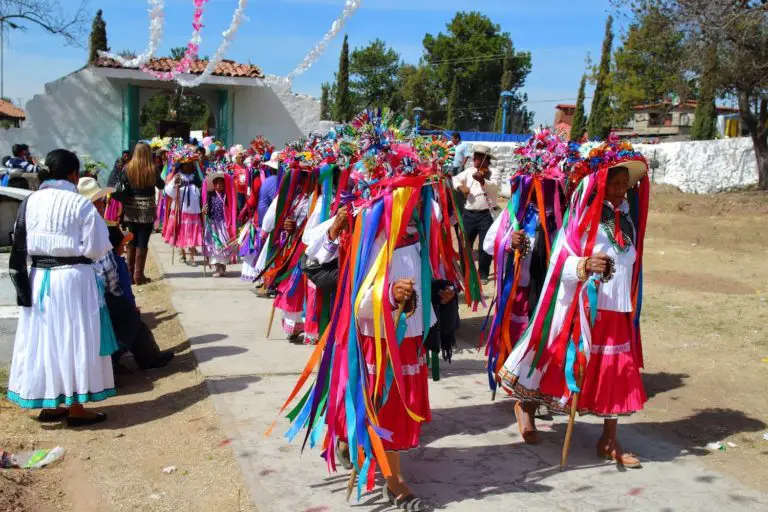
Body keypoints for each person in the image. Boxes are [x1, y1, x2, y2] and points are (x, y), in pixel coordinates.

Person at [498, 138, 650, 468]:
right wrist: (583, 266)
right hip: (586, 311)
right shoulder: (582, 220)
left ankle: (609, 439)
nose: (623, 189)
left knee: (616, 371)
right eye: (616, 182)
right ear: (601, 184)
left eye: (626, 183)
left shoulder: (627, 221)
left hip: (618, 311)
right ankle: (525, 408)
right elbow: (560, 261)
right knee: (560, 364)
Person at [7, 149, 114, 426]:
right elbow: (97, 247)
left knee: (45, 339)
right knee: (75, 337)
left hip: (40, 277)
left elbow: (20, 243)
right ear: (74, 175)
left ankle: (52, 403)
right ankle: (76, 407)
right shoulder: (81, 205)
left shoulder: (29, 203)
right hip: (74, 278)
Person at [482, 129, 569, 444]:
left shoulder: (565, 218)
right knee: (526, 348)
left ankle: (538, 395)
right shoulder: (517, 214)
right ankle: (525, 404)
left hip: (553, 296)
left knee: (548, 348)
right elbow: (491, 245)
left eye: (551, 186)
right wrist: (510, 242)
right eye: (540, 185)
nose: (545, 191)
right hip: (522, 294)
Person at [453, 143, 499, 284]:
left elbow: (495, 186)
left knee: (485, 245)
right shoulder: (468, 171)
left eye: (477, 158)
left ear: (485, 159)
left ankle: (483, 273)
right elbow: (454, 179)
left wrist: (483, 180)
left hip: (486, 214)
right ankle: (465, 270)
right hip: (469, 214)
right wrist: (461, 186)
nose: (474, 159)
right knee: (464, 243)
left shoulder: (493, 172)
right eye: (474, 157)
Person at [120, 142, 164, 284]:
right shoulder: (153, 169)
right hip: (147, 209)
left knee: (131, 240)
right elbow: (161, 185)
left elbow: (121, 184)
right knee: (142, 241)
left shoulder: (128, 168)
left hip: (130, 209)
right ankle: (139, 275)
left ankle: (129, 274)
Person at [163, 150, 204, 265]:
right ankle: (182, 253)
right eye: (185, 165)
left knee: (191, 233)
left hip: (194, 211)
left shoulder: (196, 178)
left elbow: (203, 191)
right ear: (181, 166)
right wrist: (175, 185)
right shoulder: (177, 177)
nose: (188, 167)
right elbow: (168, 191)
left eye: (190, 165)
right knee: (180, 231)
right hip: (180, 210)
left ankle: (191, 256)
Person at [202, 172, 237, 277]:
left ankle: (222, 265)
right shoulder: (210, 195)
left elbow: (233, 209)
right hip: (213, 225)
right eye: (216, 183)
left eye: (221, 183)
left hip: (224, 224)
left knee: (223, 244)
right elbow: (206, 206)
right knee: (215, 246)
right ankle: (218, 267)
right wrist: (204, 209)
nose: (218, 185)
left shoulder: (228, 195)